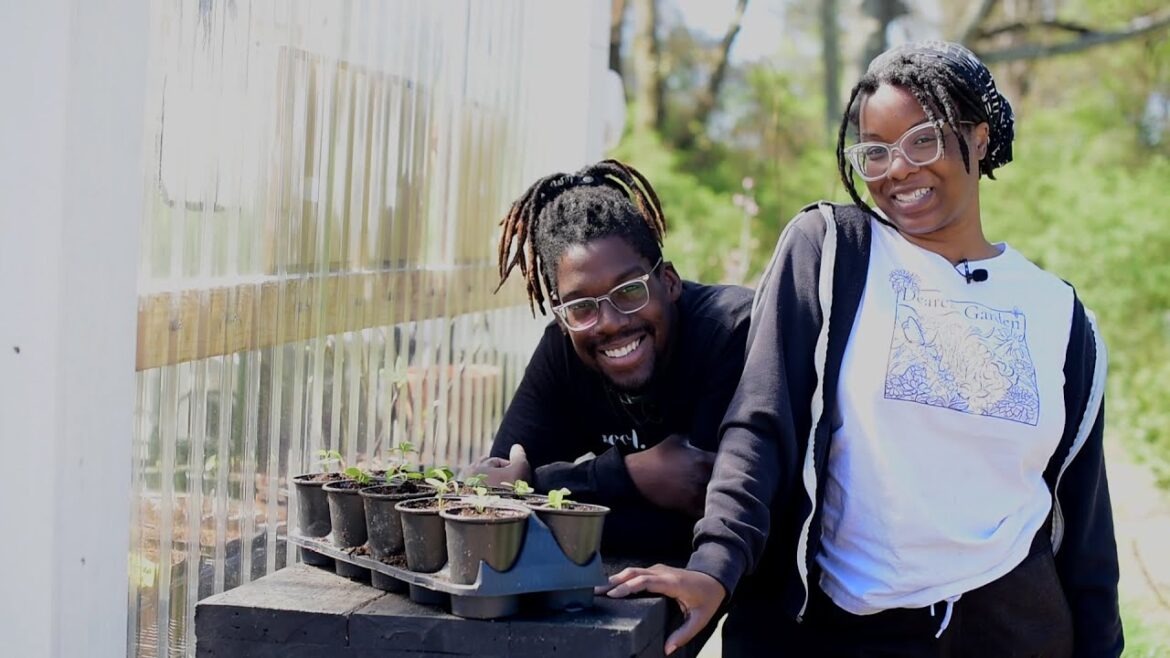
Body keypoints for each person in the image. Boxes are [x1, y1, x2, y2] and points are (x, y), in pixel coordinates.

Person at [601, 41, 1123, 658]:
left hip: (1014, 634)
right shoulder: (832, 254)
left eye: (923, 140)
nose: (896, 169)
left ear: (979, 138)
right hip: (845, 633)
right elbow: (760, 427)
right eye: (875, 151)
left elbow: (1084, 526)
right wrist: (715, 566)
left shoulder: (1060, 316)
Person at [467, 158, 753, 564]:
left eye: (630, 291)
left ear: (668, 282)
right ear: (561, 317)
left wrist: (543, 487)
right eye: (581, 306)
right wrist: (634, 473)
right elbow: (497, 502)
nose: (610, 323)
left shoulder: (729, 331)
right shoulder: (563, 351)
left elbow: (703, 513)